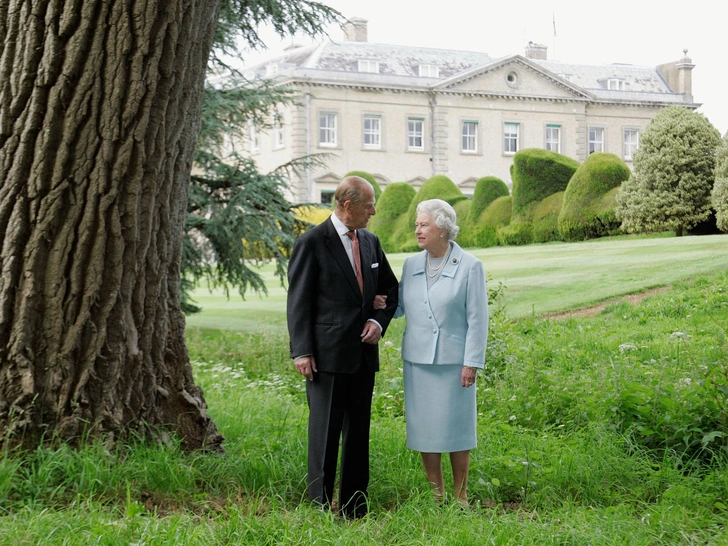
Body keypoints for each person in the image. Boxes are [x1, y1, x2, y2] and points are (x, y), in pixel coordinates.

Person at [286, 176, 399, 518]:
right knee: (325, 435)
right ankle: (319, 508)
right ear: (347, 206)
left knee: (358, 434)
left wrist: (378, 320)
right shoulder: (312, 242)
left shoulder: (370, 241)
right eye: (369, 206)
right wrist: (301, 351)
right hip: (326, 358)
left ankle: (354, 508)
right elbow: (298, 301)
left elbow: (389, 292)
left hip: (363, 357)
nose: (374, 211)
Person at [392, 198, 488, 507]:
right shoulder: (411, 264)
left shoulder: (470, 266)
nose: (418, 230)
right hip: (419, 361)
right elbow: (400, 307)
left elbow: (478, 318)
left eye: (424, 225)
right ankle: (436, 493)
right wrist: (378, 304)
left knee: (458, 429)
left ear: (443, 229)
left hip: (454, 362)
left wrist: (472, 362)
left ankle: (461, 495)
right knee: (426, 430)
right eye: (417, 224)